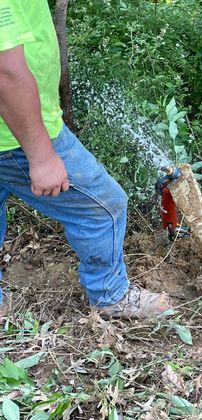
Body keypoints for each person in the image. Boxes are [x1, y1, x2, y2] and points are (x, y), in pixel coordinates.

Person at [0, 0, 171, 320]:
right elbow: (5, 73)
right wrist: (41, 156)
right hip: (17, 136)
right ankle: (110, 296)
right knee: (102, 206)